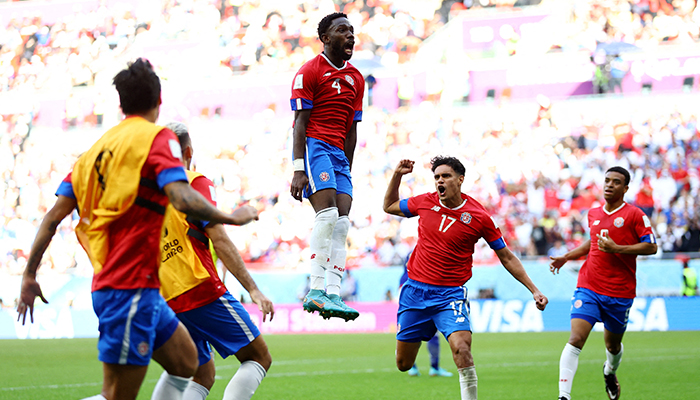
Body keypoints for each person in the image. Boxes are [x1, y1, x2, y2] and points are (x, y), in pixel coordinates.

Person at [16, 58, 250, 400]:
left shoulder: (91, 155)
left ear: (121, 104)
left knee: (189, 363)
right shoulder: (157, 140)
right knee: (117, 395)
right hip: (127, 288)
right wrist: (232, 217)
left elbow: (53, 218)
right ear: (158, 102)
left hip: (139, 289)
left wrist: (29, 274)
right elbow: (182, 197)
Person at [383, 156, 549, 400]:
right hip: (415, 292)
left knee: (462, 348)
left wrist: (534, 289)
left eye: (446, 176)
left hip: (449, 294)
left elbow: (507, 257)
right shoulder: (425, 202)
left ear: (460, 180)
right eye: (437, 177)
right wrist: (397, 174)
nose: (440, 181)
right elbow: (389, 206)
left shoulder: (479, 216)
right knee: (403, 364)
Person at [152, 122, 274, 400]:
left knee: (201, 373)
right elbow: (219, 238)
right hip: (198, 288)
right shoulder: (194, 182)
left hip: (166, 297)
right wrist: (253, 289)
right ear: (188, 151)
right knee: (258, 357)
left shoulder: (152, 193)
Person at [549, 166, 657, 400]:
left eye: (616, 182)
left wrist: (618, 249)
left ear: (625, 188)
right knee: (576, 339)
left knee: (613, 347)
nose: (609, 185)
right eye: (607, 180)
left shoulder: (636, 215)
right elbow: (593, 242)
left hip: (620, 291)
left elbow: (651, 246)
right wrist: (567, 256)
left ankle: (609, 371)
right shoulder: (594, 213)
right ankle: (563, 396)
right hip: (589, 286)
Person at [289, 12, 365, 321]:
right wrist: (297, 168)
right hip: (315, 147)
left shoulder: (357, 79)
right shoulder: (309, 72)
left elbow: (352, 129)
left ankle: (334, 293)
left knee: (343, 224)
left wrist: (347, 166)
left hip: (338, 155)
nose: (350, 35)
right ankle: (315, 290)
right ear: (325, 38)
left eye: (352, 31)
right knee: (328, 214)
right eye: (342, 30)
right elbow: (299, 123)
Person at [399, 250, 453, 378]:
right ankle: (434, 368)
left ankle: (413, 368)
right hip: (425, 308)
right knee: (431, 337)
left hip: (410, 310)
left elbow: (401, 295)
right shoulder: (422, 274)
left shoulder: (404, 276)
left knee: (411, 338)